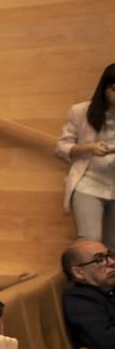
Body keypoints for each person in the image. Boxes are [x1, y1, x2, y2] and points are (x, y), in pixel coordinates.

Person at [57, 65, 115, 248]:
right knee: (91, 242)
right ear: (104, 89)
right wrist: (89, 147)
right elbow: (61, 147)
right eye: (114, 89)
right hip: (88, 184)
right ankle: (83, 276)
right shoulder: (81, 111)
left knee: (113, 246)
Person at [61, 240, 115, 349]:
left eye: (109, 255)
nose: (111, 262)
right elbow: (106, 341)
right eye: (99, 260)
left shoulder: (108, 288)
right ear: (78, 273)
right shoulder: (79, 300)